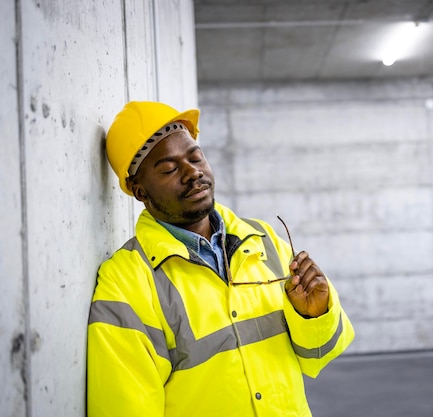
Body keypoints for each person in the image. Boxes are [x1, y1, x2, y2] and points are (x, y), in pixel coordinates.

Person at [87, 101, 354, 417]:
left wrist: (314, 315)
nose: (193, 172)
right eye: (170, 168)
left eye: (195, 156)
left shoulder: (263, 240)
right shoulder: (127, 280)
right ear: (140, 190)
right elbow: (125, 407)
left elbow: (318, 355)